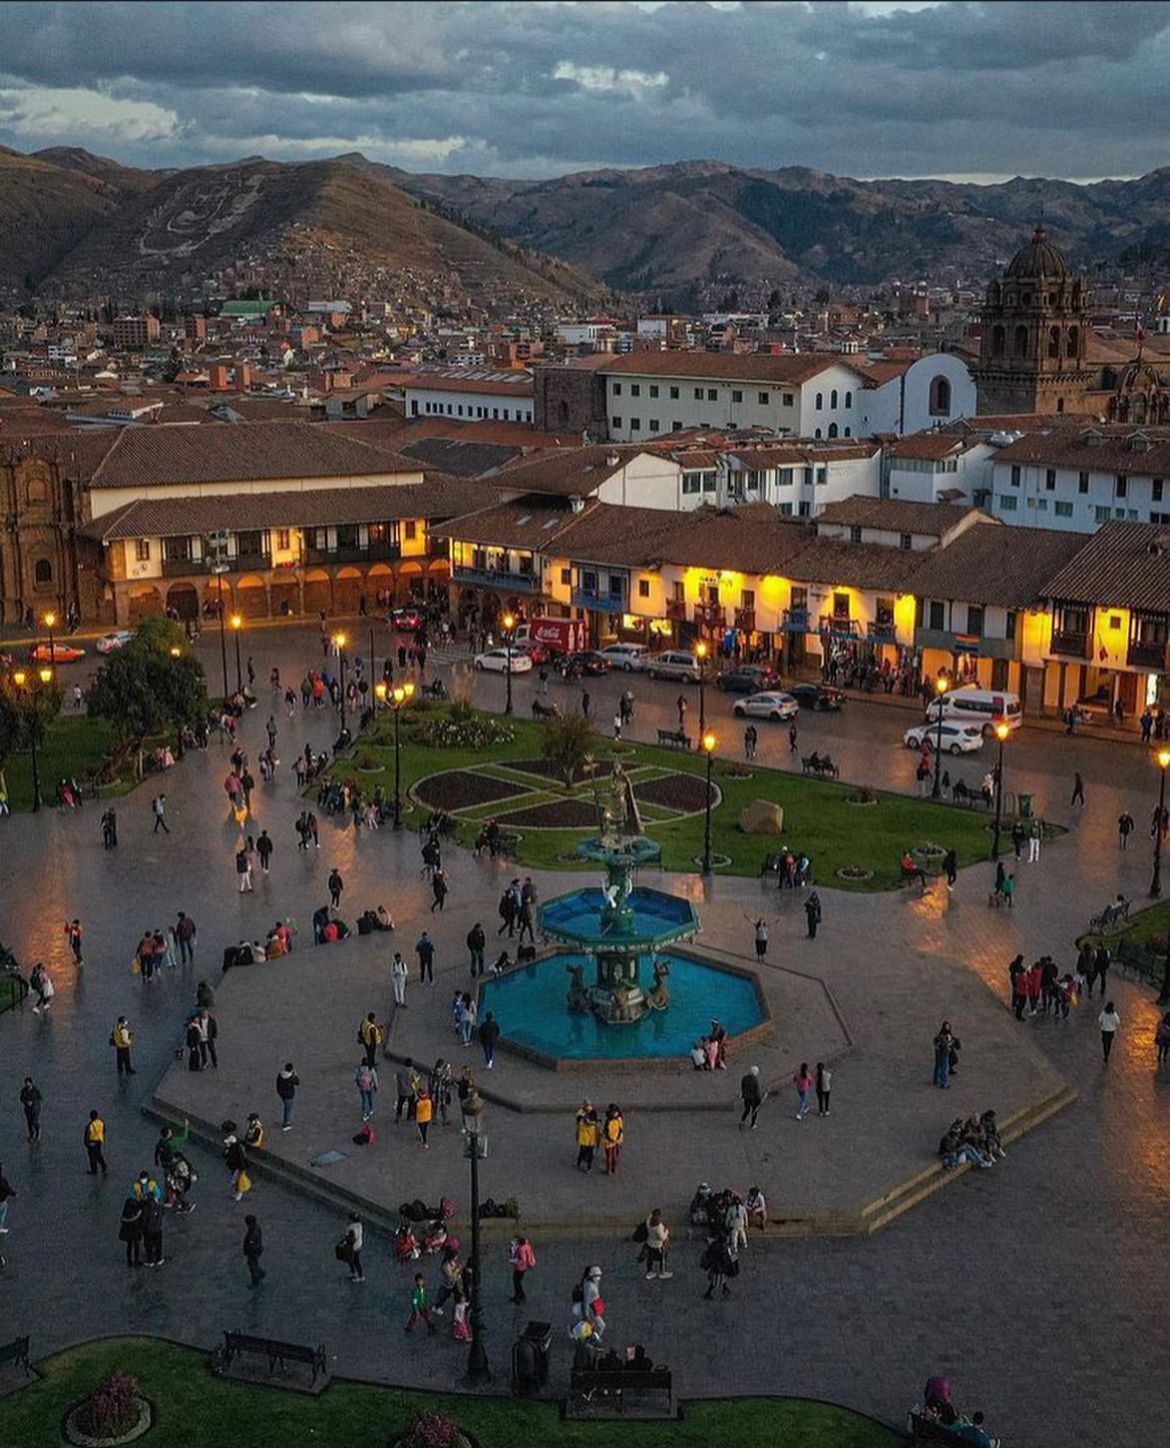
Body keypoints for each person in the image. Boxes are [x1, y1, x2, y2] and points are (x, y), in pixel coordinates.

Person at [643, 1209, 672, 1280]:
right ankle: (662, 1272)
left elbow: (649, 1216)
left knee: (650, 1258)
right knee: (662, 1258)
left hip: (650, 1244)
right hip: (658, 1246)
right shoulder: (658, 1227)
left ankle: (649, 1272)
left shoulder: (648, 1222)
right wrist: (666, 1231)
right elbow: (662, 1237)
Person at [118, 1192, 143, 1268]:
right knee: (136, 1245)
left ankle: (129, 1260)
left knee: (129, 1245)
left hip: (128, 1231)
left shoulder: (125, 1213)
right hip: (135, 1230)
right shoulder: (136, 1212)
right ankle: (136, 1260)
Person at [509, 1234, 537, 1301]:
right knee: (518, 1282)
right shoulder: (526, 1246)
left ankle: (519, 1296)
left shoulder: (521, 1249)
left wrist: (513, 1261)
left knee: (517, 1282)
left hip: (520, 1268)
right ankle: (520, 1295)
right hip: (522, 1268)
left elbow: (522, 1260)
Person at [575, 1101, 600, 1171]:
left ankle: (589, 1166)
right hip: (584, 1133)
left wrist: (592, 1122)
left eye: (589, 1106)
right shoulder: (581, 1112)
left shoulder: (593, 1112)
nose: (589, 1108)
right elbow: (578, 1120)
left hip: (591, 1133)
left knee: (590, 1150)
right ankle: (579, 1161)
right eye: (587, 1106)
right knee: (583, 1148)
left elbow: (595, 1120)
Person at [243, 1213, 265, 1286]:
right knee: (255, 1264)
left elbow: (251, 1245)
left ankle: (255, 1282)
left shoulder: (252, 1234)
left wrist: (248, 1251)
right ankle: (260, 1273)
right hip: (257, 1250)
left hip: (253, 1252)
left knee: (252, 1267)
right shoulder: (257, 1227)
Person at [83, 1109, 107, 1176]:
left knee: (92, 1156)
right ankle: (103, 1165)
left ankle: (94, 1170)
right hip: (99, 1141)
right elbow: (104, 1130)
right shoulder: (101, 1122)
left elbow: (87, 1134)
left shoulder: (90, 1124)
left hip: (92, 1142)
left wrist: (86, 1143)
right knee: (98, 1154)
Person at [739, 1065, 764, 1130]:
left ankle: (742, 1120)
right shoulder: (755, 1081)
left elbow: (743, 1087)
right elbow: (756, 1092)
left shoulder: (744, 1078)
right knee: (754, 1111)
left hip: (746, 1097)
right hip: (753, 1099)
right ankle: (752, 1124)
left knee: (747, 1109)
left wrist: (743, 1095)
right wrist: (759, 1100)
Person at [276, 1062, 299, 1130]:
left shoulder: (280, 1074)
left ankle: (286, 1122)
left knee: (286, 1107)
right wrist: (295, 1074)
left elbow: (277, 1083)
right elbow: (297, 1082)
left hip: (282, 1094)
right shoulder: (291, 1077)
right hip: (289, 1095)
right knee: (288, 1109)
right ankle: (286, 1123)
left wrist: (279, 1092)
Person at [603, 1103, 624, 1175]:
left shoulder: (609, 1121)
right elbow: (621, 1129)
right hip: (616, 1140)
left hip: (609, 1141)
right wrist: (617, 1140)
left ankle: (609, 1170)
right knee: (614, 1155)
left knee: (609, 1156)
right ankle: (613, 1169)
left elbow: (606, 1133)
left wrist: (614, 1140)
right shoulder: (619, 1119)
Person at [343, 1213, 365, 1282]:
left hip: (353, 1246)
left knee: (355, 1260)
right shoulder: (360, 1225)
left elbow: (349, 1238)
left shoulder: (350, 1228)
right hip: (359, 1244)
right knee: (354, 1260)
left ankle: (360, 1275)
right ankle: (355, 1273)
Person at [933, 1022, 954, 1088]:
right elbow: (947, 1044)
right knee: (944, 1067)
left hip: (939, 1052)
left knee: (938, 1066)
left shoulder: (939, 1036)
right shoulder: (946, 1036)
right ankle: (944, 1082)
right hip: (944, 1052)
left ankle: (936, 1080)